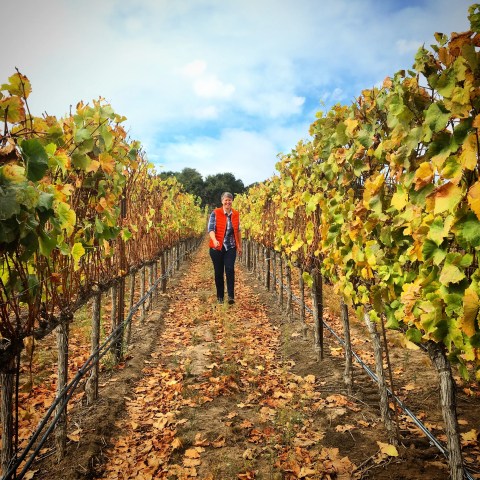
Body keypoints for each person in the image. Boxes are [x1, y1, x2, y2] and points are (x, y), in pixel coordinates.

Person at [208, 192, 242, 304]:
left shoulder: (236, 214)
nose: (228, 202)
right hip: (216, 247)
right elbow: (211, 229)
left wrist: (239, 246)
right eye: (225, 200)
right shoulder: (215, 213)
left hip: (230, 247)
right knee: (218, 272)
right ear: (222, 201)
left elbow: (238, 231)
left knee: (230, 269)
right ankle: (220, 298)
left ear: (232, 201)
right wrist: (214, 240)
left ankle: (231, 296)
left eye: (230, 200)